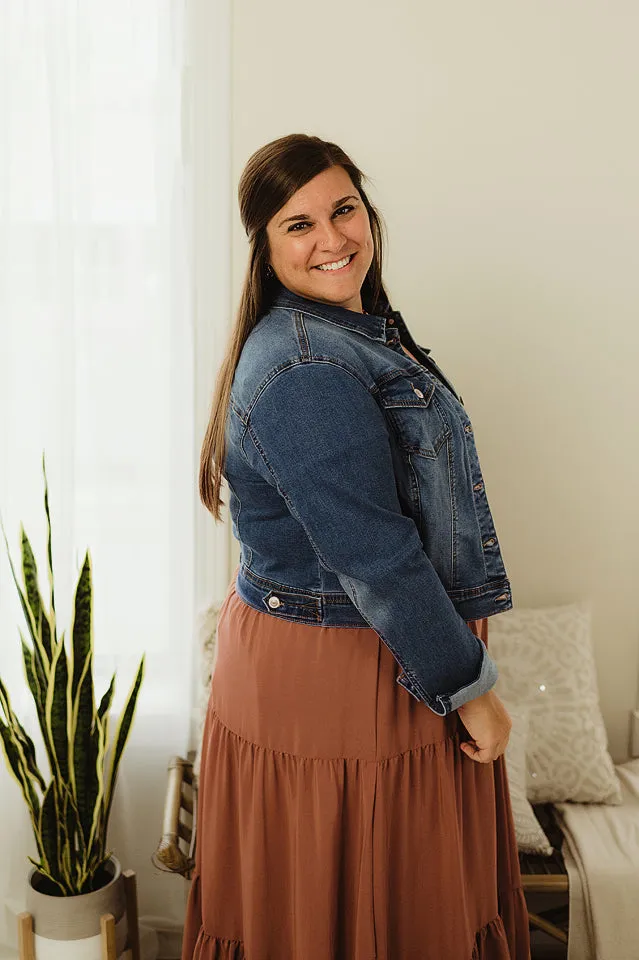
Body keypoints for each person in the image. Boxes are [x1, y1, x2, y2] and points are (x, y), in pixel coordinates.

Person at [181, 133, 531, 959]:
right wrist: (467, 685)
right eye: (297, 225)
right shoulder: (305, 365)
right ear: (265, 250)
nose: (333, 239)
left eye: (343, 209)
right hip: (343, 673)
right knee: (360, 909)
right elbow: (376, 556)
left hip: (377, 653)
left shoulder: (344, 331)